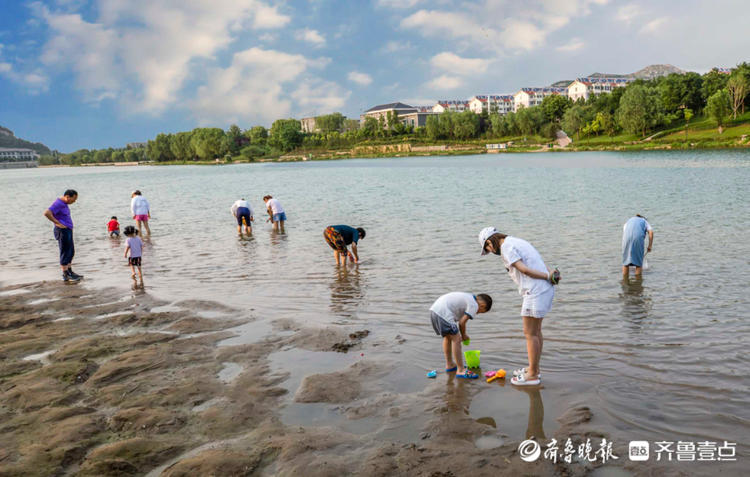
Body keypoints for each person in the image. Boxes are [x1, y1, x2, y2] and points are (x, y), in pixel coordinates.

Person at [479, 227, 560, 386]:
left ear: (489, 241)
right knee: (535, 332)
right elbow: (539, 262)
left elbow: (524, 270)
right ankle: (533, 368)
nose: (490, 251)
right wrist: (551, 274)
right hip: (541, 290)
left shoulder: (506, 248)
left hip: (535, 291)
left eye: (487, 248)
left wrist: (548, 276)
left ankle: (533, 375)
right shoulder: (517, 241)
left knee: (530, 333)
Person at [429, 292, 492, 379]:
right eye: (480, 312)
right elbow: (462, 322)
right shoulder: (474, 305)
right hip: (444, 313)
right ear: (482, 306)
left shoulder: (469, 297)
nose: (477, 313)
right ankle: (461, 370)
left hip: (435, 310)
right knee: (457, 339)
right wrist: (464, 335)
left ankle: (450, 364)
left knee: (448, 338)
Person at [43, 189, 83, 282]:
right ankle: (65, 274)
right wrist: (57, 223)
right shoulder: (59, 203)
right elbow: (47, 213)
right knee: (65, 251)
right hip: (62, 230)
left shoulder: (64, 204)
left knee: (71, 251)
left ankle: (70, 271)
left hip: (67, 229)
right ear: (67, 197)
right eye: (74, 199)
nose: (74, 201)